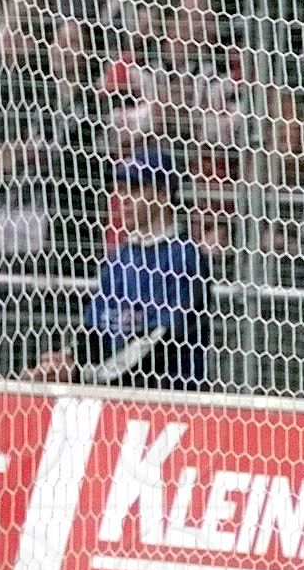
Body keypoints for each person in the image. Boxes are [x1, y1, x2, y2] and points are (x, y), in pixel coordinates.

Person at [24, 145, 211, 392]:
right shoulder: (121, 256)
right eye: (120, 189)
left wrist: (90, 374)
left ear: (163, 194)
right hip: (115, 393)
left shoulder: (184, 257)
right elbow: (94, 328)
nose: (124, 199)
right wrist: (67, 359)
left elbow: (162, 339)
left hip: (165, 396)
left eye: (134, 189)